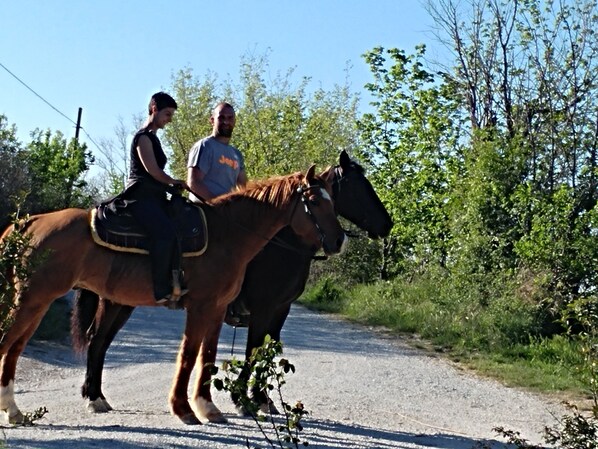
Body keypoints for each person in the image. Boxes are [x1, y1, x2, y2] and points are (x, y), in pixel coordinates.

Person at [124, 91, 189, 305]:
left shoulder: (153, 138)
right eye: (167, 114)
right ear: (154, 109)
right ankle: (161, 288)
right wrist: (173, 181)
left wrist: (171, 186)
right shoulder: (142, 138)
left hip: (154, 196)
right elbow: (152, 171)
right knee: (164, 233)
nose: (169, 120)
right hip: (139, 197)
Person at [187, 102, 247, 202]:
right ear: (212, 120)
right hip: (203, 210)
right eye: (221, 117)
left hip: (226, 212)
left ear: (235, 121)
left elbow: (243, 187)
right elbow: (194, 183)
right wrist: (218, 204)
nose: (226, 122)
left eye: (230, 118)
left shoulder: (237, 154)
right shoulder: (205, 146)